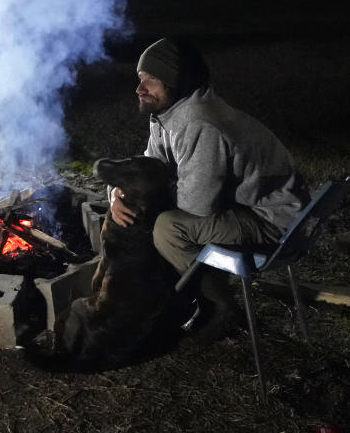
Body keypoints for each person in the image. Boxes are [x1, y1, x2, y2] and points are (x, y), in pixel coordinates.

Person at [109, 37, 310, 340]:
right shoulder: (168, 113)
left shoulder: (199, 122)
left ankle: (218, 307)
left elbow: (196, 206)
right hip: (247, 207)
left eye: (151, 80)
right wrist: (118, 191)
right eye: (140, 79)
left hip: (274, 221)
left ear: (175, 80)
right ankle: (168, 294)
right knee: (148, 215)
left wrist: (145, 197)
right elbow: (149, 167)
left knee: (168, 227)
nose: (140, 89)